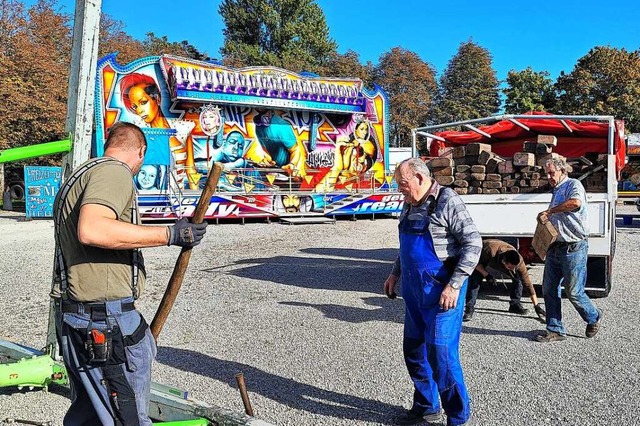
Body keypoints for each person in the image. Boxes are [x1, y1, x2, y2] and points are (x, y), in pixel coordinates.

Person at [52, 122, 208, 425]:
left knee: (91, 416)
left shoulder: (82, 173)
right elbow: (93, 228)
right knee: (126, 418)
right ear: (141, 151)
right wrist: (170, 235)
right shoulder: (114, 172)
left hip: (80, 318)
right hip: (103, 324)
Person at [383, 158, 482, 426]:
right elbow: (405, 247)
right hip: (414, 295)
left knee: (441, 356)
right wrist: (395, 273)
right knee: (413, 350)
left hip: (442, 295)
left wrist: (455, 284)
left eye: (402, 184)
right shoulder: (409, 203)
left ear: (419, 178)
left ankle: (458, 418)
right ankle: (426, 406)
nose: (400, 189)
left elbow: (474, 244)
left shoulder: (448, 200)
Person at [535, 158, 602, 343]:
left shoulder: (573, 184)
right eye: (546, 173)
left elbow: (575, 203)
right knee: (549, 289)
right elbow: (559, 216)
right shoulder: (556, 190)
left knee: (574, 292)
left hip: (574, 247)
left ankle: (593, 316)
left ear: (562, 171)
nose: (548, 177)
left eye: (551, 173)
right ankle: (555, 330)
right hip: (556, 247)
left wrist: (550, 212)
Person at [119, 73, 200, 189]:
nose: (140, 111)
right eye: (135, 107)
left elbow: (191, 169)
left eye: (143, 102)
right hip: (151, 196)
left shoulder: (183, 128)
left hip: (179, 198)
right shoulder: (138, 132)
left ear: (157, 99)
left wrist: (195, 198)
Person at [463, 239, 546, 322]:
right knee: (475, 279)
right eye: (510, 267)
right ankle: (469, 308)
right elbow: (474, 262)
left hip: (501, 257)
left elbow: (528, 284)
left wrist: (536, 305)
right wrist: (487, 275)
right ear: (503, 262)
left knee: (518, 279)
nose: (512, 270)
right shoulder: (490, 251)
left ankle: (515, 305)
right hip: (482, 255)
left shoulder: (519, 263)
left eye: (514, 268)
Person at [316, 118, 379, 192]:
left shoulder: (372, 184)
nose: (362, 159)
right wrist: (336, 169)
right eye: (360, 151)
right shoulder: (319, 174)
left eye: (368, 159)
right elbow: (317, 198)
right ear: (346, 151)